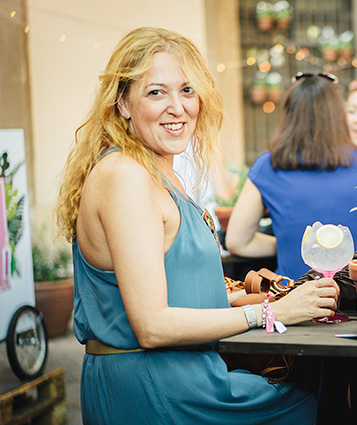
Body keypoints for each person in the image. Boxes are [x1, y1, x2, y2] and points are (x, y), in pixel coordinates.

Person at [55, 27, 340, 425]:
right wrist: (271, 313)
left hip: (187, 376)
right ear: (123, 103)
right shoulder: (126, 177)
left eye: (187, 90)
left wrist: (259, 300)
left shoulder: (157, 172)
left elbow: (177, 289)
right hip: (157, 389)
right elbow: (152, 326)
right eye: (157, 92)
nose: (177, 108)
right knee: (320, 405)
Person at [225, 72, 357, 281]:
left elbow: (237, 242)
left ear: (289, 114)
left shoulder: (268, 166)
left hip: (294, 293)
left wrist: (293, 244)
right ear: (338, 115)